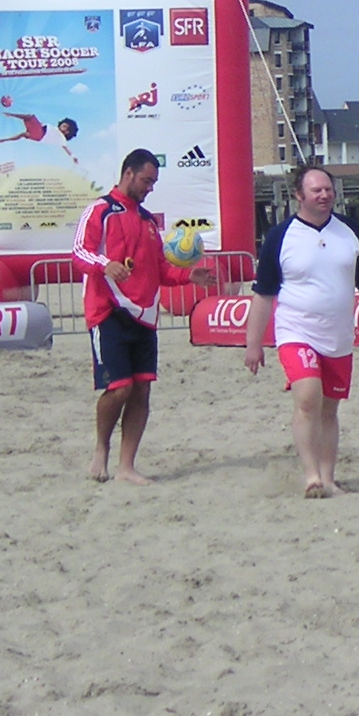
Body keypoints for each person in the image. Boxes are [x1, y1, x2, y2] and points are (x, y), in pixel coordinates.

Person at [245, 164, 359, 497]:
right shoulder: (281, 237)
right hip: (296, 330)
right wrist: (253, 344)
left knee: (329, 408)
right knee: (308, 397)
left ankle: (328, 478)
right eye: (316, 190)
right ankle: (311, 476)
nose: (324, 195)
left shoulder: (348, 231)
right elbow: (264, 294)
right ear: (299, 195)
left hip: (338, 335)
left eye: (328, 189)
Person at [71, 149, 217, 483]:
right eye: (147, 180)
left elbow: (160, 269)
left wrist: (187, 276)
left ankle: (127, 466)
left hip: (145, 316)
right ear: (129, 173)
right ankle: (101, 449)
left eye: (154, 182)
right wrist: (104, 264)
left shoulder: (148, 220)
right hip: (108, 310)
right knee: (118, 389)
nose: (150, 187)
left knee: (141, 392)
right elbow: (79, 253)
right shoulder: (100, 210)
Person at [0, 110, 81, 162]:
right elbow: (41, 125)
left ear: (67, 132)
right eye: (63, 124)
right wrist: (37, 124)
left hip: (40, 134)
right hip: (38, 134)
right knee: (23, 134)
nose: (63, 125)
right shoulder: (55, 129)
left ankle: (10, 115)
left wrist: (73, 157)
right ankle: (3, 140)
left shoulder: (62, 139)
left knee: (30, 117)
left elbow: (66, 149)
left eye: (65, 127)